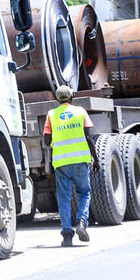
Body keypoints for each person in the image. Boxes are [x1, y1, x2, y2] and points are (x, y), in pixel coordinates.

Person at [43, 85, 100, 246]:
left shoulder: (51, 115)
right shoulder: (81, 111)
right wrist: (95, 159)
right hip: (80, 161)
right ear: (72, 97)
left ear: (57, 99)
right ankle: (82, 222)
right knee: (84, 193)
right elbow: (89, 137)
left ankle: (67, 236)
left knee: (64, 199)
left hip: (61, 163)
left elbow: (47, 141)